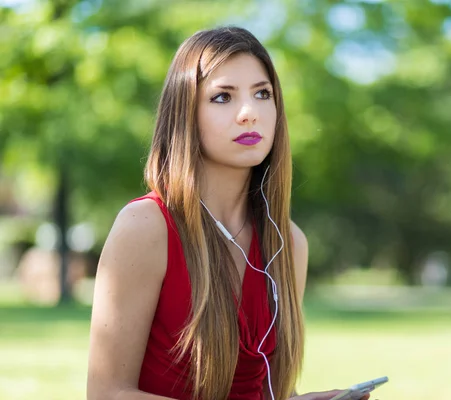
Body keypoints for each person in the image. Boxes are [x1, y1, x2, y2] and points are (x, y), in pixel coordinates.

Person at [86, 27, 369, 400]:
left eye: (262, 93)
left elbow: (270, 391)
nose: (249, 113)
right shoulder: (146, 226)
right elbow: (107, 394)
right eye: (223, 97)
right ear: (186, 114)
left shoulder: (289, 243)